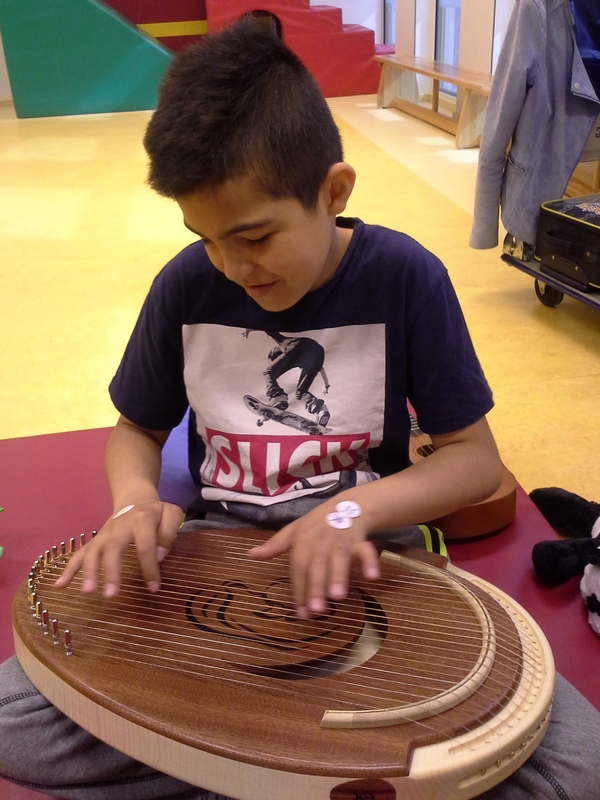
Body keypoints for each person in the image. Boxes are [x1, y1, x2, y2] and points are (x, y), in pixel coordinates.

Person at [1, 17, 599, 800]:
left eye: (254, 237)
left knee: (578, 765)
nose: (231, 265)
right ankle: (280, 767)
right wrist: (133, 502)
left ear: (334, 191)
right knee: (13, 721)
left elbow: (473, 462)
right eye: (206, 237)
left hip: (374, 558)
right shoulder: (186, 285)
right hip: (221, 561)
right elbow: (137, 429)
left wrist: (350, 511)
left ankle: (237, 763)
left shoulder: (406, 277)